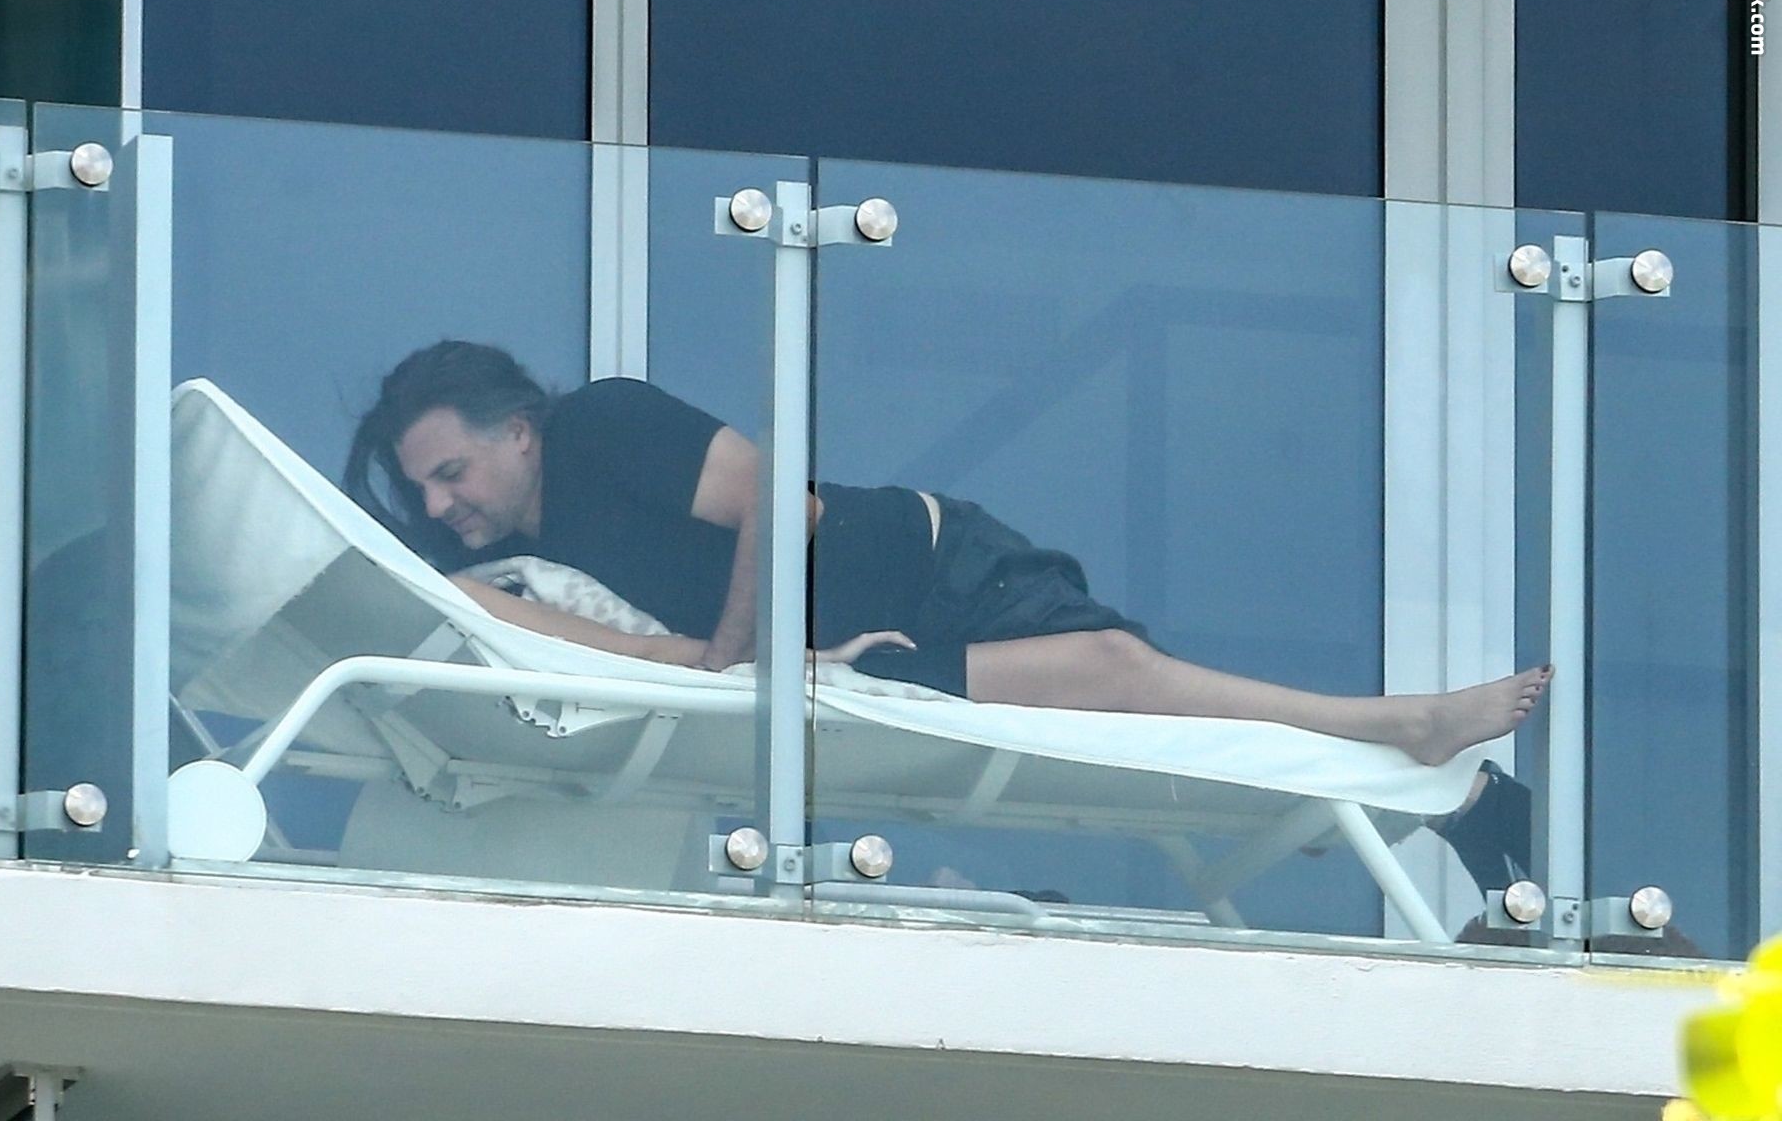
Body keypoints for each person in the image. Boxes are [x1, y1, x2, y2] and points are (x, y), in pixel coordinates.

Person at [345, 341, 1551, 776]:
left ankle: (1406, 734)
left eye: (451, 470)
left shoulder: (600, 426)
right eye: (423, 488)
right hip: (875, 659)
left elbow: (780, 498)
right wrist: (727, 663)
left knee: (1126, 677)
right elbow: (632, 647)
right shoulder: (514, 566)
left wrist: (729, 655)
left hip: (928, 567)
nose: (441, 502)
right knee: (1126, 690)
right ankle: (1405, 748)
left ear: (519, 428)